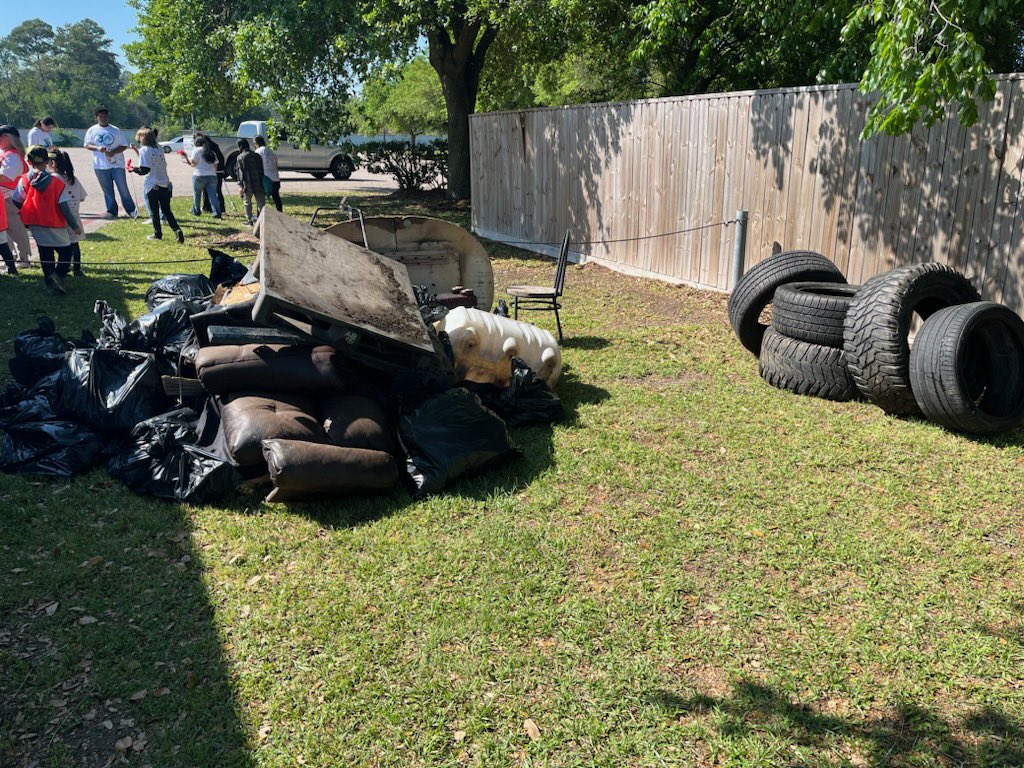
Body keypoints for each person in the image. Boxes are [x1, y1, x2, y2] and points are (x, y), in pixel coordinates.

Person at [13, 145, 82, 294]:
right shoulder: (56, 183)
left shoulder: (24, 180)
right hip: (54, 223)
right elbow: (64, 207)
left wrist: (26, 210)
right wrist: (74, 225)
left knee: (45, 253)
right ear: (46, 162)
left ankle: (49, 281)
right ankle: (58, 276)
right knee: (66, 252)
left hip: (35, 223)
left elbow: (16, 199)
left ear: (29, 162)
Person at [131, 127, 184, 243]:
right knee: (166, 210)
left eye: (140, 136)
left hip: (152, 184)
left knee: (154, 211)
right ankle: (177, 230)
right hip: (164, 183)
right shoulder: (159, 148)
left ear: (142, 137)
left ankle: (157, 234)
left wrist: (133, 169)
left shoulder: (144, 150)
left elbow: (144, 170)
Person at [83, 107, 137, 219]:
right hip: (100, 166)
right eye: (101, 117)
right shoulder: (92, 130)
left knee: (123, 189)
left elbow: (123, 145)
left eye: (105, 117)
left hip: (117, 164)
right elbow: (87, 145)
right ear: (97, 118)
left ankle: (131, 210)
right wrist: (98, 148)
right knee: (107, 190)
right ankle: (112, 211)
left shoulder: (115, 130)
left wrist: (113, 152)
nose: (103, 119)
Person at [48, 150, 88, 276]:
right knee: (74, 244)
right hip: (74, 217)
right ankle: (77, 269)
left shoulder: (53, 179)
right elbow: (82, 197)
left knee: (58, 244)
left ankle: (60, 268)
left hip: (59, 217)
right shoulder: (73, 179)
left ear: (53, 163)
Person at [0, 125, 31, 266]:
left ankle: (23, 257)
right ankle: (11, 257)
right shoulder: (7, 153)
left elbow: (6, 177)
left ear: (8, 138)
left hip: (10, 199)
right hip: (6, 198)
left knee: (15, 229)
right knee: (6, 231)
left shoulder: (13, 156)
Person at [184, 136, 221, 218]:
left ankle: (196, 211)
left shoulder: (196, 150)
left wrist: (187, 158)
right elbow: (216, 164)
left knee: (197, 194)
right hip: (212, 176)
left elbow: (193, 163)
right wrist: (213, 173)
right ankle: (217, 213)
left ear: (196, 144)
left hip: (199, 175)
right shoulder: (211, 151)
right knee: (213, 195)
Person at [235, 139, 265, 224]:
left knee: (247, 202)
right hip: (258, 181)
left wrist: (241, 186)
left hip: (247, 183)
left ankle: (249, 220)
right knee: (261, 202)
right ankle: (263, 219)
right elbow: (261, 170)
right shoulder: (257, 155)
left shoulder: (241, 157)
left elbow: (240, 173)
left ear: (240, 146)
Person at [195, 132, 226, 214]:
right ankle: (221, 208)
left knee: (207, 190)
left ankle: (207, 207)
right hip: (219, 170)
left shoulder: (206, 147)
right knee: (218, 190)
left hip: (211, 171)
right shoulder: (215, 145)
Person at [254, 135, 282, 212]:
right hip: (275, 177)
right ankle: (280, 212)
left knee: (260, 197)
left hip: (265, 178)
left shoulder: (258, 151)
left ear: (256, 143)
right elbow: (276, 165)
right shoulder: (271, 151)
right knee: (276, 197)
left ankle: (259, 214)